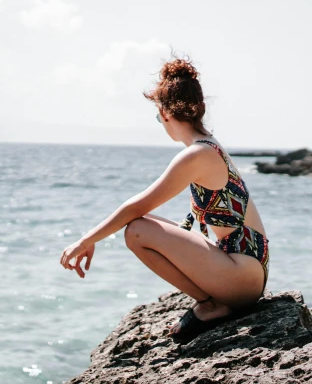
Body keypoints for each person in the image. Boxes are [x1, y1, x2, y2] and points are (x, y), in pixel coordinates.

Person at [59, 55, 270, 342]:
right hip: (246, 269)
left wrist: (86, 240)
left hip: (242, 278)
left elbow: (137, 205)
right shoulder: (210, 146)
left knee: (136, 230)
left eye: (159, 117)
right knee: (140, 223)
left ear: (167, 114)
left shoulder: (197, 154)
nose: (161, 122)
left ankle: (212, 305)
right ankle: (213, 302)